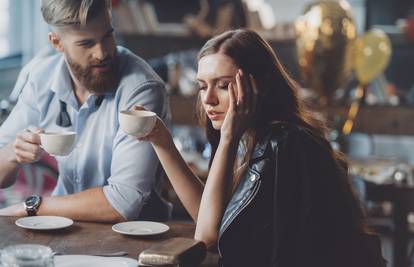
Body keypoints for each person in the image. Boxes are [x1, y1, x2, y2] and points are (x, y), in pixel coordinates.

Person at [134, 29, 386, 266]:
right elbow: (211, 215)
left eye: (223, 85)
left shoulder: (284, 145)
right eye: (202, 86)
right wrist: (162, 141)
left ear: (257, 86)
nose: (209, 99)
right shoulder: (259, 139)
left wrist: (228, 137)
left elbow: (208, 235)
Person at [0, 0, 171, 222]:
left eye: (108, 36)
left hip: (135, 237)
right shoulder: (41, 77)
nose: (102, 53)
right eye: (86, 43)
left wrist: (32, 207)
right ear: (57, 42)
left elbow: (123, 202)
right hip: (61, 229)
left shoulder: (141, 89)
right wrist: (14, 154)